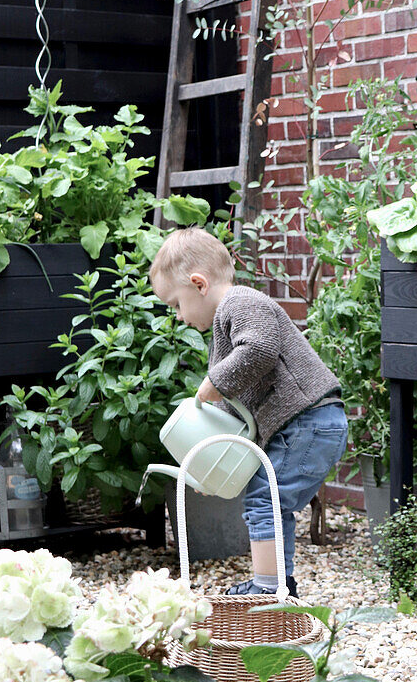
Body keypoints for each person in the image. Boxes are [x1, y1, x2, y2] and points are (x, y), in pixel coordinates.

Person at [149, 227, 348, 597]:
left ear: (199, 283)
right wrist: (216, 472)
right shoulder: (229, 318)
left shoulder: (240, 303)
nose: (177, 316)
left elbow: (259, 349)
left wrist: (215, 381)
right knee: (268, 499)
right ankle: (277, 585)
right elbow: (237, 413)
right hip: (306, 424)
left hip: (309, 422)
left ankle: (269, 589)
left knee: (265, 499)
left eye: (176, 304)